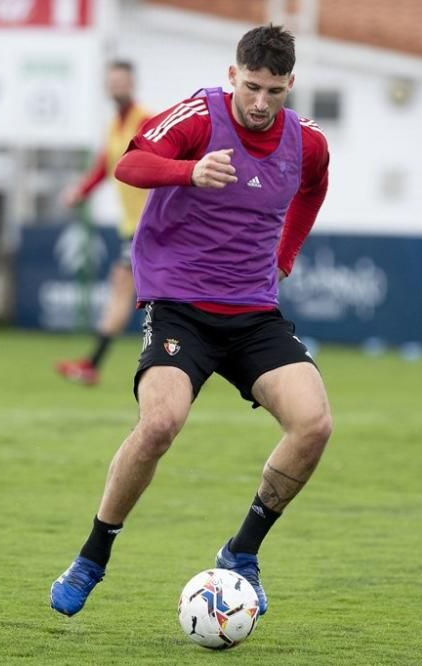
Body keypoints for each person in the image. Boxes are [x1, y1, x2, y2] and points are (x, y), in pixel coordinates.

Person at [50, 25, 332, 618]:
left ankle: (241, 554)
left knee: (314, 424)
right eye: (251, 86)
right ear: (233, 75)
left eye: (274, 91)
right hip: (180, 306)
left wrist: (285, 255)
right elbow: (130, 165)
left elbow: (313, 188)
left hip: (254, 313)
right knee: (160, 424)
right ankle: (93, 556)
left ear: (291, 85)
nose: (260, 103)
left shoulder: (306, 141)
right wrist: (190, 171)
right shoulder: (198, 119)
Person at [55, 60, 152, 386]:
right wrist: (80, 191)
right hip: (132, 227)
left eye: (121, 81)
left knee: (124, 289)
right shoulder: (113, 126)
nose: (116, 87)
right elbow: (103, 167)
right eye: (112, 82)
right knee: (159, 295)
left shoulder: (147, 120)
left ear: (132, 83)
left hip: (150, 226)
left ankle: (92, 364)